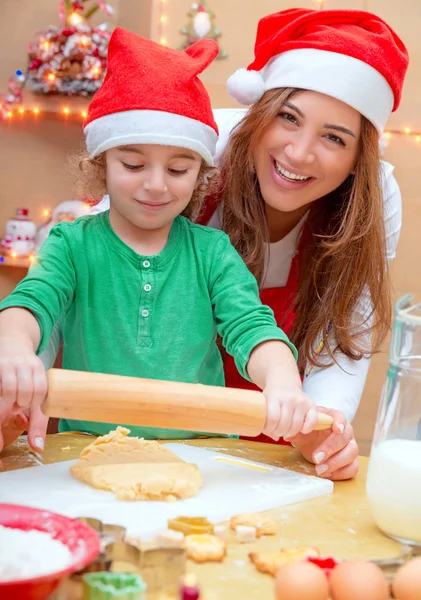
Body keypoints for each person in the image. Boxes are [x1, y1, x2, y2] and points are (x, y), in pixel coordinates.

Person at [0, 28, 318, 451]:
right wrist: (12, 346)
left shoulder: (212, 253)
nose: (155, 185)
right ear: (101, 165)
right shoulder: (71, 244)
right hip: (88, 448)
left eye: (178, 169)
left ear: (200, 175)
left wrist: (282, 381)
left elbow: (252, 328)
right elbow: (32, 303)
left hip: (202, 453)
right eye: (133, 164)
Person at [195, 8, 409, 480]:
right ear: (259, 113)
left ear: (358, 158)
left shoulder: (375, 201)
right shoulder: (195, 150)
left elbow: (344, 336)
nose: (299, 152)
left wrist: (325, 427)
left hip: (276, 431)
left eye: (334, 138)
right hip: (161, 416)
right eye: (288, 118)